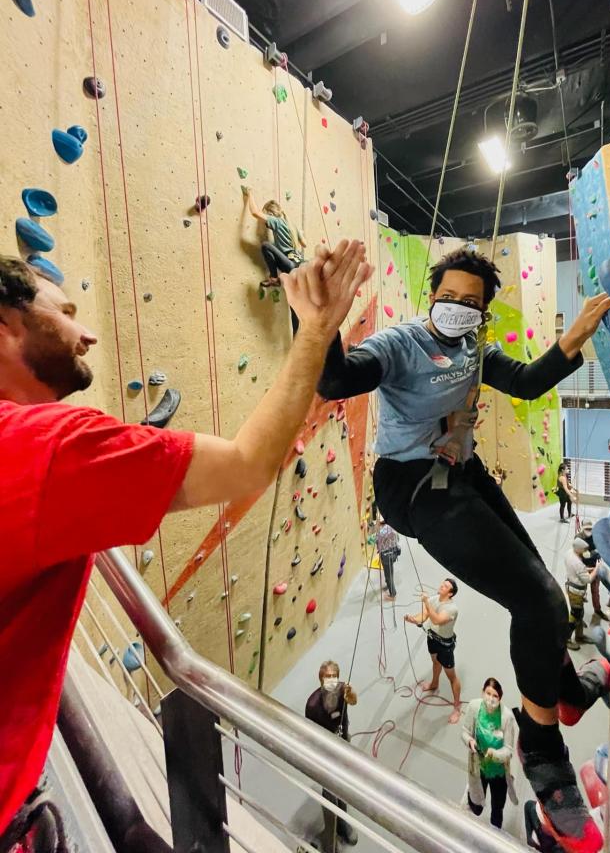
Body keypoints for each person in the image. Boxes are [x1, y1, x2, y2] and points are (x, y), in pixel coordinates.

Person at [0, 241, 372, 843]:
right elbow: (248, 466)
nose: (88, 332)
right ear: (5, 323)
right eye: (65, 311)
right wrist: (317, 330)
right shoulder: (44, 451)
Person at [317, 244, 610, 852]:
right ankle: (543, 754)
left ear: (482, 314)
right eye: (447, 297)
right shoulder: (400, 346)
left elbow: (527, 384)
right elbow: (338, 379)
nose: (455, 309)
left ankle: (564, 691)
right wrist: (323, 322)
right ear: (432, 296)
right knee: (535, 601)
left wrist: (575, 334)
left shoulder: (473, 348)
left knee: (544, 590)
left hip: (462, 471)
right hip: (413, 487)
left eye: (469, 304)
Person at [305, 661, 358, 850]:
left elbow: (353, 700)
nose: (332, 680)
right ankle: (329, 833)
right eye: (327, 677)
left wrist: (351, 695)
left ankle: (342, 823)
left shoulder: (343, 689)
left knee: (343, 787)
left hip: (343, 746)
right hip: (325, 753)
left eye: (334, 676)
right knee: (330, 792)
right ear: (321, 680)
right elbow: (310, 736)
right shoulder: (312, 706)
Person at [461, 678, 517, 829]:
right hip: (479, 767)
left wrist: (495, 754)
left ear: (500, 698)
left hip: (498, 772)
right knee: (476, 807)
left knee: (497, 809)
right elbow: (465, 732)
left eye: (495, 696)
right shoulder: (474, 707)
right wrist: (470, 741)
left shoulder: (507, 717)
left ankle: (495, 835)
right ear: (483, 692)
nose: (491, 698)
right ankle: (470, 795)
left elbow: (509, 751)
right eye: (488, 693)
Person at [404, 578, 462, 723]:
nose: (441, 586)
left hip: (445, 645)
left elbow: (436, 620)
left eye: (445, 586)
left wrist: (425, 602)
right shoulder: (434, 599)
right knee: (435, 662)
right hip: (432, 638)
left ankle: (457, 708)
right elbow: (424, 616)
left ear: (450, 593)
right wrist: (413, 619)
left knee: (451, 676)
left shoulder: (452, 609)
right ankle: (434, 683)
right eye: (442, 583)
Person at [244, 186, 307, 288]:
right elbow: (305, 244)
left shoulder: (276, 221)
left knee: (266, 246)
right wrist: (301, 233)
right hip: (302, 265)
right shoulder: (292, 225)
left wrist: (250, 193)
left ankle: (274, 279)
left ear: (270, 214)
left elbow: (255, 212)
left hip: (291, 266)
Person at [577, 521, 610, 625]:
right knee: (580, 592)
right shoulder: (579, 538)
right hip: (583, 567)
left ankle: (597, 610)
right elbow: (584, 555)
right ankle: (579, 617)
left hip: (595, 567)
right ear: (582, 528)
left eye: (590, 529)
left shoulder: (596, 536)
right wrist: (594, 552)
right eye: (587, 529)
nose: (589, 531)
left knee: (595, 591)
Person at [564, 538, 598, 650]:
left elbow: (576, 570)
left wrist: (587, 569)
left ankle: (579, 636)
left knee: (579, 614)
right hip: (576, 592)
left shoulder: (569, 553)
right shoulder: (578, 563)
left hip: (571, 586)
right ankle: (567, 639)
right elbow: (588, 579)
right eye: (584, 550)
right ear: (579, 550)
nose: (585, 552)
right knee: (575, 615)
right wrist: (596, 569)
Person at [375, 519, 400, 599]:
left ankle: (393, 594)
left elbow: (374, 541)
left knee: (388, 574)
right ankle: (388, 584)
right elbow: (398, 539)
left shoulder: (382, 532)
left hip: (386, 556)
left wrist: (368, 530)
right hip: (394, 553)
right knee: (390, 571)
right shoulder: (393, 527)